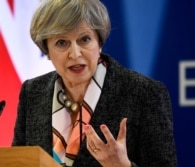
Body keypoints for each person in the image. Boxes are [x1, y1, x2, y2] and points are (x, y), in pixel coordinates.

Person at [12, 0, 177, 166]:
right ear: (46, 50)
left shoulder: (144, 93)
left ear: (99, 43)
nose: (75, 54)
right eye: (62, 43)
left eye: (84, 39)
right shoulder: (32, 92)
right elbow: (18, 162)